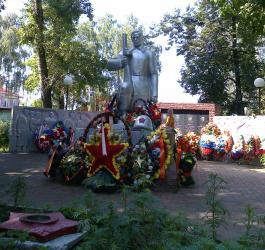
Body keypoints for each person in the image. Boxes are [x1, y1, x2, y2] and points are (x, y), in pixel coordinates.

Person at [107, 30, 158, 115]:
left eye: (137, 37)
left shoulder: (148, 54)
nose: (135, 39)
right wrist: (120, 62)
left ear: (142, 38)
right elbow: (110, 64)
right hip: (130, 82)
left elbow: (153, 74)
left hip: (143, 86)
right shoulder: (127, 52)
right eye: (133, 38)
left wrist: (154, 94)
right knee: (124, 87)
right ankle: (122, 116)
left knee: (141, 112)